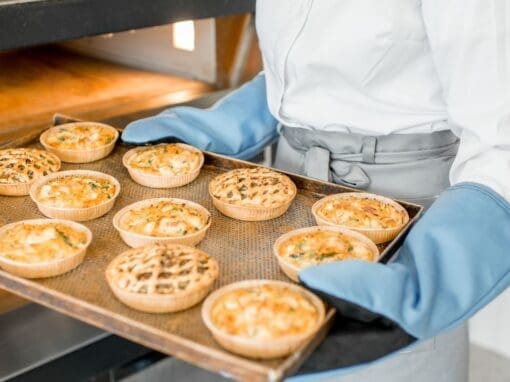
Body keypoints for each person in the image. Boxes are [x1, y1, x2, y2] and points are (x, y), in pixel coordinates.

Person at [122, 1, 510, 381]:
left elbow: (501, 143)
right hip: (284, 206)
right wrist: (232, 122)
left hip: (405, 227)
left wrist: (432, 277)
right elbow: (309, 70)